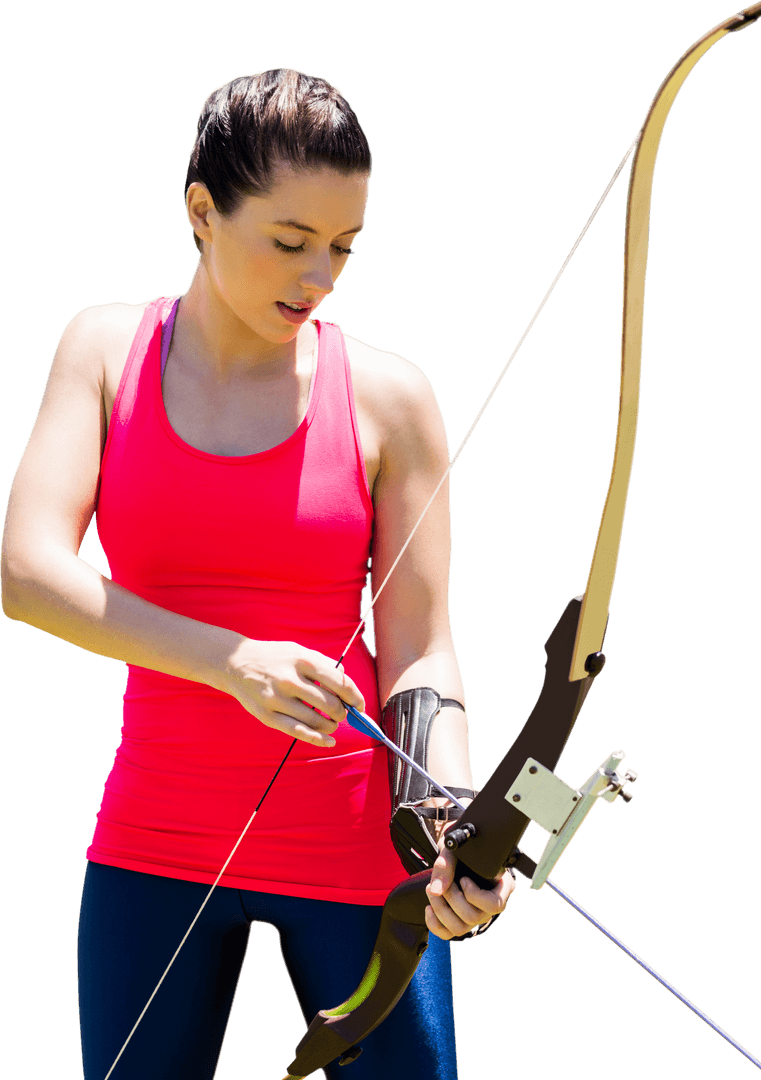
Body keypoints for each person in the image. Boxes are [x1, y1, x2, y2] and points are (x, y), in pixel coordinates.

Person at [0, 68, 514, 1079]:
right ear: (202, 210)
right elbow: (25, 572)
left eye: (343, 247)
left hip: (356, 851)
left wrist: (453, 819)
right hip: (154, 842)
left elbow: (420, 649)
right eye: (289, 241)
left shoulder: (392, 396)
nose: (319, 275)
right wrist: (233, 661)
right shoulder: (102, 348)